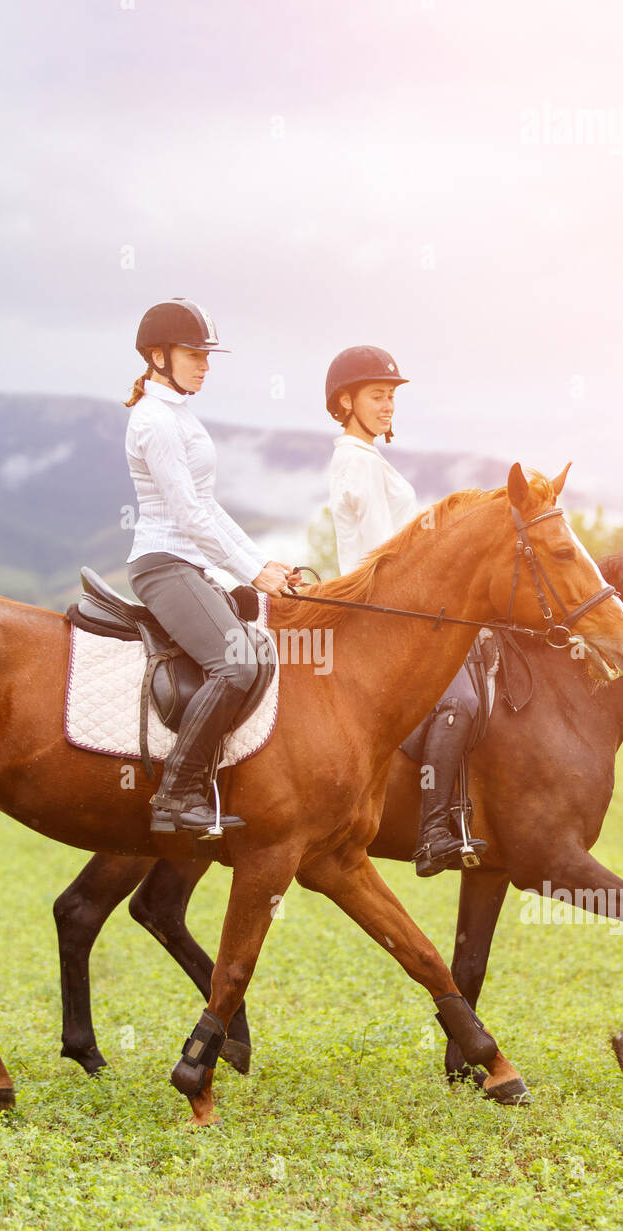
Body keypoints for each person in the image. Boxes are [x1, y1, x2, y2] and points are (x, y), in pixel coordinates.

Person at [124, 298, 298, 837]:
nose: (204, 364)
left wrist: (261, 563)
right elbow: (187, 513)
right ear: (157, 355)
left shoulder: (179, 414)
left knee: (251, 655)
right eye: (193, 353)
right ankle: (176, 796)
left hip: (190, 562)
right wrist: (250, 570)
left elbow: (209, 506)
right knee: (239, 663)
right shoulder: (154, 421)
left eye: (207, 355)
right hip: (163, 562)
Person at [325, 345, 491, 876]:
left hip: (402, 612)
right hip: (385, 617)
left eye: (392, 396)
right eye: (378, 396)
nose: (389, 405)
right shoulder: (356, 462)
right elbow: (387, 556)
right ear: (346, 401)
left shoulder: (370, 460)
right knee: (459, 702)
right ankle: (434, 829)